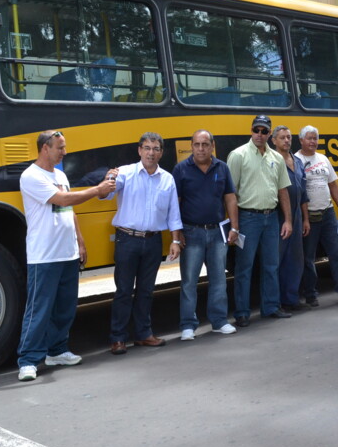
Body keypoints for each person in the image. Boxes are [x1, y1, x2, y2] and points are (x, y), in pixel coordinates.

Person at [17, 130, 114, 382]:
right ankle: (28, 360)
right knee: (39, 309)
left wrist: (79, 241)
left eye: (64, 147)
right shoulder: (31, 176)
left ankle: (57, 351)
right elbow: (61, 198)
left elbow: (68, 208)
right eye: (60, 147)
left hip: (67, 252)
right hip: (44, 255)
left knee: (65, 308)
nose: (65, 152)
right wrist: (97, 189)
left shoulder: (59, 174)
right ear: (45, 148)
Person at [105, 132, 183, 355]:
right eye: (147, 148)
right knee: (123, 290)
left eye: (156, 149)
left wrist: (175, 240)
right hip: (127, 239)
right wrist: (109, 179)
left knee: (146, 291)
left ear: (161, 153)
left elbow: (174, 214)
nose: (151, 153)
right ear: (139, 150)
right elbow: (106, 194)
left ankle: (143, 334)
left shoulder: (167, 179)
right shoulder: (125, 173)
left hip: (152, 241)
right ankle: (118, 338)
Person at [172, 129, 239, 340]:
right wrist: (177, 235)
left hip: (217, 232)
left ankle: (219, 322)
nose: (201, 149)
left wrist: (235, 228)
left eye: (205, 144)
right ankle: (188, 325)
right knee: (189, 282)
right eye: (197, 144)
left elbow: (230, 198)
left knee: (219, 280)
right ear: (191, 146)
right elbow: (175, 204)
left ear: (212, 146)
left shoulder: (222, 167)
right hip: (191, 233)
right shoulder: (181, 169)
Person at [227, 115, 293, 326]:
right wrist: (234, 224)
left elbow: (283, 190)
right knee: (244, 267)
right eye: (256, 130)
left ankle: (271, 307)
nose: (259, 134)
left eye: (264, 131)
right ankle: (242, 313)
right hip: (247, 218)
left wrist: (288, 220)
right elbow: (229, 193)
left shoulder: (277, 158)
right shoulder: (238, 155)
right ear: (251, 130)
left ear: (269, 134)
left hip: (271, 218)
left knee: (271, 265)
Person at [295, 125, 338, 306]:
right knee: (308, 258)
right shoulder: (296, 160)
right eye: (309, 138)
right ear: (301, 140)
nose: (313, 141)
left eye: (315, 138)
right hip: (309, 216)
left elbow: (333, 186)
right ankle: (310, 295)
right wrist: (304, 218)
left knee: (337, 254)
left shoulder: (323, 159)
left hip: (328, 213)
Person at [270, 125, 310, 311]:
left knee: (295, 259)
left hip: (296, 214)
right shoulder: (271, 161)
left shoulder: (298, 161)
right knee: (277, 259)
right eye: (282, 137)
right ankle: (275, 302)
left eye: (288, 137)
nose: (287, 140)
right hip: (277, 215)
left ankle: (291, 299)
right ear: (274, 141)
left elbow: (303, 193)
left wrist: (305, 218)